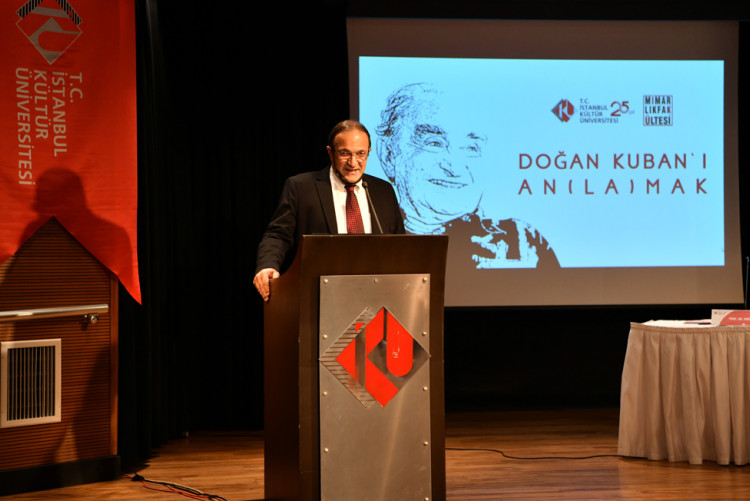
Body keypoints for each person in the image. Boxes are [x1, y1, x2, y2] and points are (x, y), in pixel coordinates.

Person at [375, 83, 559, 269]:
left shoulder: (524, 244)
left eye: (471, 148)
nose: (454, 167)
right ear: (388, 154)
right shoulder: (372, 235)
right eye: (434, 143)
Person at [253, 120, 405, 301]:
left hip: (376, 295)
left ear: (368, 152)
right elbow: (278, 235)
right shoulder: (301, 187)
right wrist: (268, 265)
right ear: (330, 153)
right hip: (319, 296)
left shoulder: (383, 191)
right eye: (344, 153)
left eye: (360, 154)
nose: (353, 162)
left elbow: (400, 244)